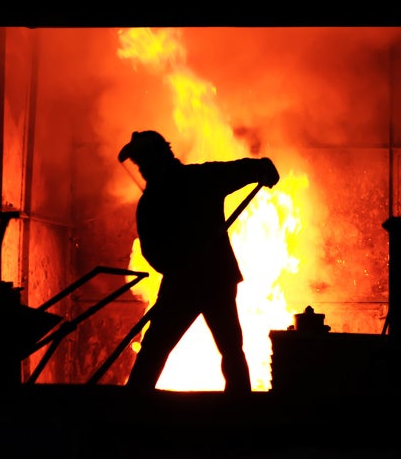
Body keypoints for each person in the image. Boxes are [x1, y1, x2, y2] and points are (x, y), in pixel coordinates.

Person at [118, 130, 280, 393]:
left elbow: (245, 169)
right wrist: (262, 169)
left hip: (196, 282)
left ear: (160, 157)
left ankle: (134, 406)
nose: (142, 169)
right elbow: (152, 252)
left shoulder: (181, 187)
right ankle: (240, 407)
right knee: (224, 348)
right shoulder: (194, 182)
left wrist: (262, 169)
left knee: (161, 349)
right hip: (204, 279)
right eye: (139, 164)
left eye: (144, 162)